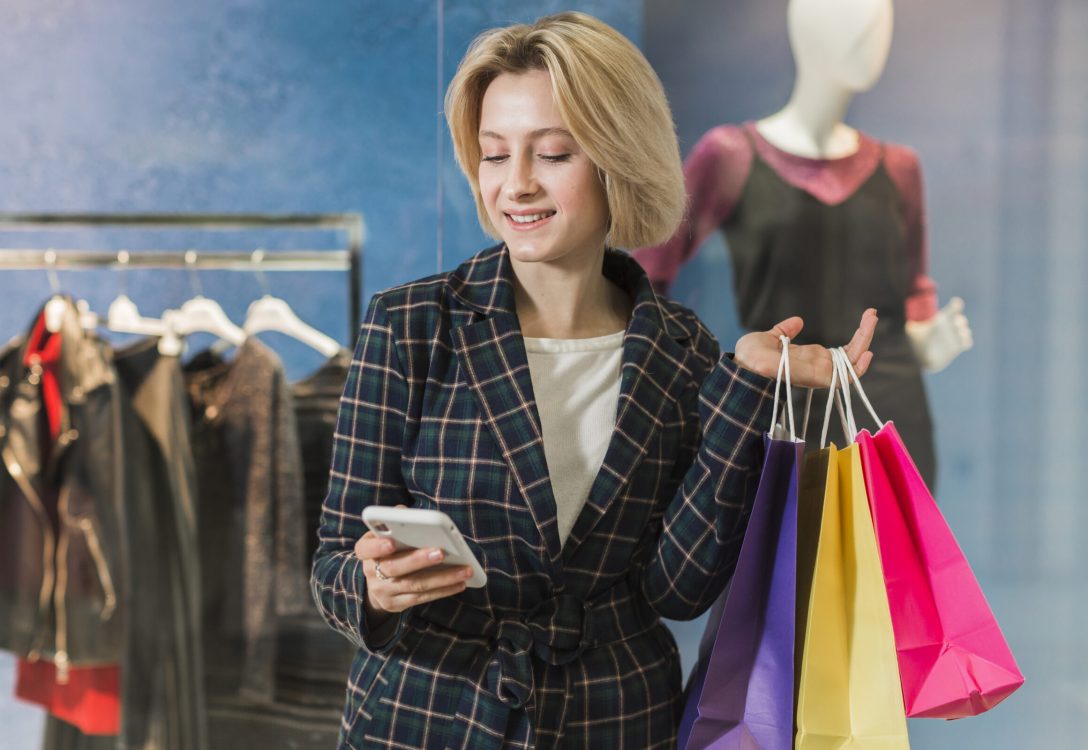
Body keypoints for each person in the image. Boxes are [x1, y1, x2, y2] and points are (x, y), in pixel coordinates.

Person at [310, 12, 876, 749]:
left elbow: (679, 589)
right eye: (492, 155)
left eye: (551, 154)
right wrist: (373, 588)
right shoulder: (410, 325)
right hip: (424, 717)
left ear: (616, 158)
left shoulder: (680, 352)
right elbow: (330, 563)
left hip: (615, 717)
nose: (515, 186)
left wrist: (748, 385)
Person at [633, 0, 971, 487]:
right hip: (781, 409)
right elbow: (648, 270)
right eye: (852, 20)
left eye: (879, 19)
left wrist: (929, 341)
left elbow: (913, 294)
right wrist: (699, 376)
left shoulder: (899, 168)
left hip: (890, 415)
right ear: (803, 26)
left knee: (894, 563)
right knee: (782, 558)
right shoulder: (731, 155)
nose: (871, 32)